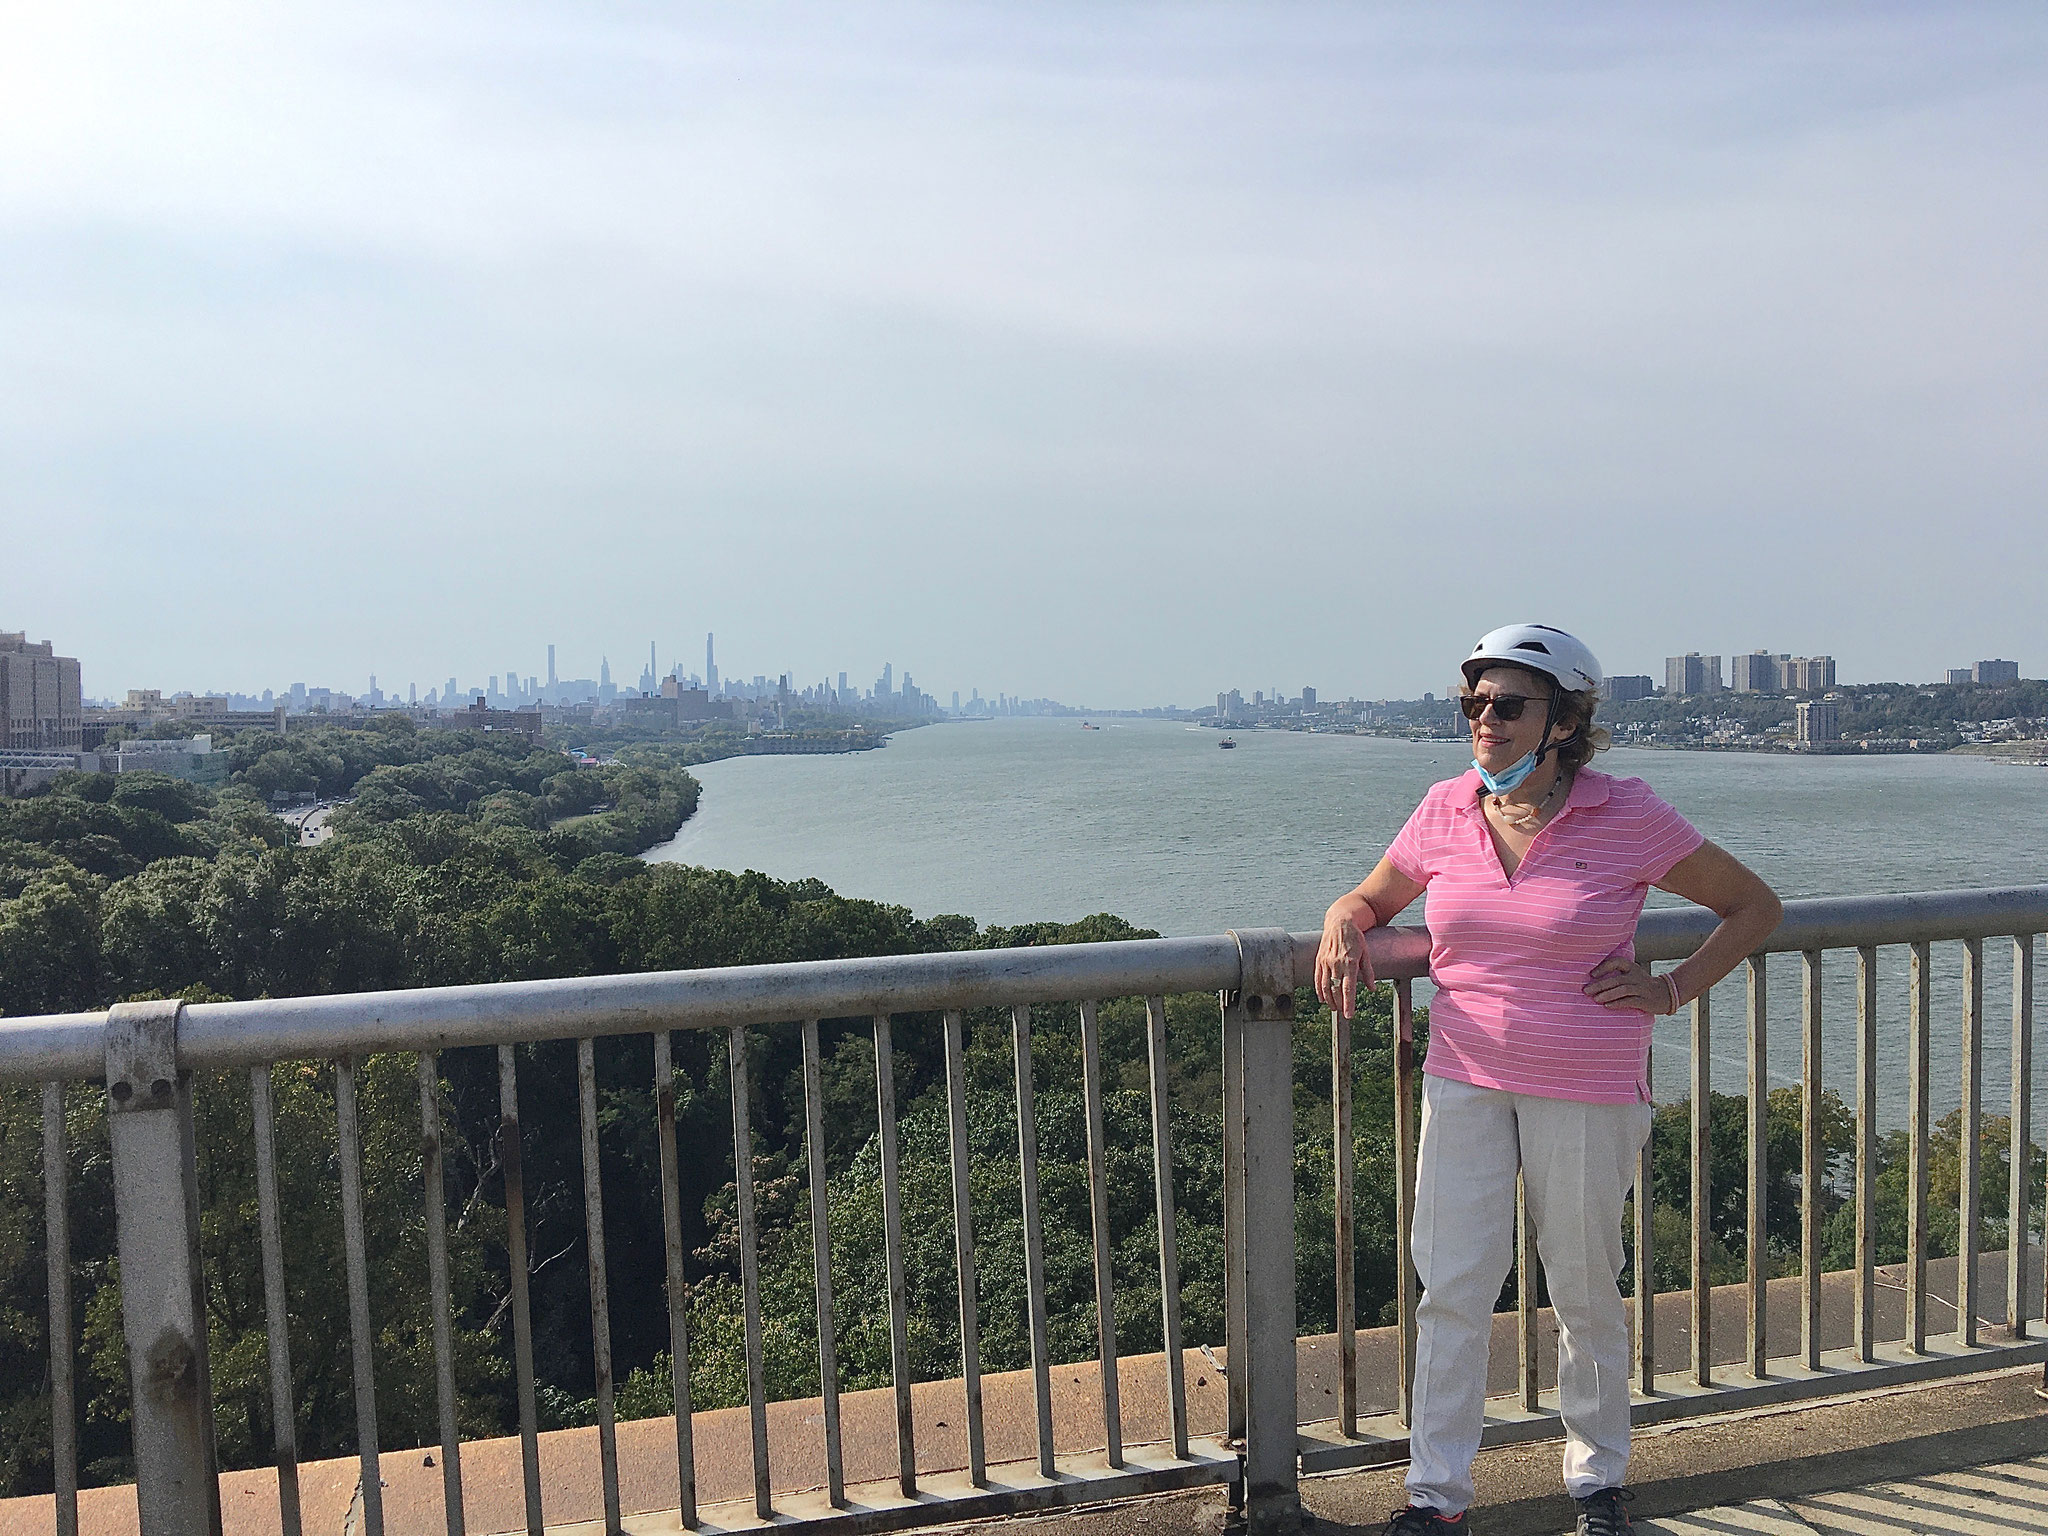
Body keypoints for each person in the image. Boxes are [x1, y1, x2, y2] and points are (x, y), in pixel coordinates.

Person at [1315, 624, 1782, 1536]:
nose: (1484, 720)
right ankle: (1434, 1496)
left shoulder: (1628, 813)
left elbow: (1753, 906)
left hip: (1587, 1085)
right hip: (1465, 1078)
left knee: (1580, 1283)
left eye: (1507, 705)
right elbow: (1374, 899)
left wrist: (1672, 988)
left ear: (1562, 720)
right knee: (1451, 1284)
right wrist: (1341, 918)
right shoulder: (1446, 807)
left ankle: (1597, 1484)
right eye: (1474, 703)